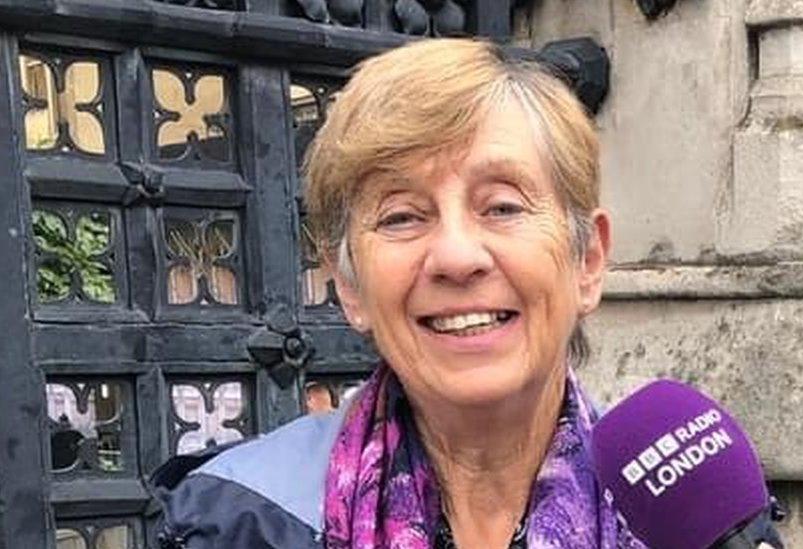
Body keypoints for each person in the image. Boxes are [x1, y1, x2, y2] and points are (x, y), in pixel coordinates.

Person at [152, 37, 642, 548]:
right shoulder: (241, 522)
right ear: (349, 285)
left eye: (502, 207)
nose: (456, 256)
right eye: (402, 217)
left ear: (587, 261)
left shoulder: (680, 518)